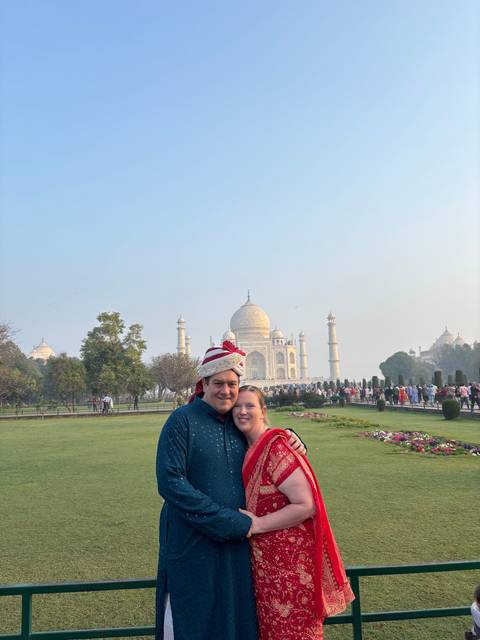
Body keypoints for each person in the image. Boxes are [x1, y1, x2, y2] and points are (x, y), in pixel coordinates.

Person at [155, 341, 306, 640]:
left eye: (232, 384)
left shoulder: (237, 424)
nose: (226, 391)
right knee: (193, 619)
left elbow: (267, 442)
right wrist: (228, 521)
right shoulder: (181, 421)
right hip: (193, 543)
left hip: (236, 546)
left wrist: (292, 438)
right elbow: (170, 483)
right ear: (204, 384)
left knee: (234, 618)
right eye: (219, 384)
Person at [233, 385, 354, 640]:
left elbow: (306, 505)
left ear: (263, 411)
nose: (242, 411)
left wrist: (258, 524)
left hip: (292, 570)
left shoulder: (277, 449)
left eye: (250, 406)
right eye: (237, 406)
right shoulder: (246, 448)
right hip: (266, 569)